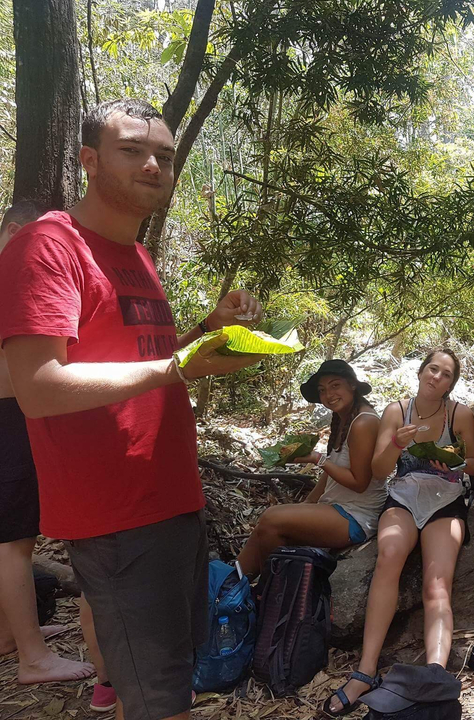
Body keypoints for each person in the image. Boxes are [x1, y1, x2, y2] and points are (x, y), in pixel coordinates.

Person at [0, 99, 264, 720]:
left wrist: (208, 332)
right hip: (115, 514)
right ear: (90, 160)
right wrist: (176, 367)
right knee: (158, 700)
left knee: (161, 686)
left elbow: (143, 360)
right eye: (133, 150)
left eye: (165, 157)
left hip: (171, 495)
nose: (153, 165)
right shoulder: (48, 247)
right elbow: (38, 386)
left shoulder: (137, 257)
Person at [324, 349, 474, 716]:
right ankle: (365, 670)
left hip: (446, 498)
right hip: (404, 495)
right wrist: (396, 443)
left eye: (445, 374)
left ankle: (435, 675)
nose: (436, 377)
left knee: (437, 582)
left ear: (451, 383)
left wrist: (454, 459)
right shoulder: (397, 411)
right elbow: (379, 470)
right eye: (432, 369)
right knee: (390, 557)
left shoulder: (459, 414)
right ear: (421, 371)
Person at [0, 201, 95, 686]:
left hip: (14, 416)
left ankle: (11, 634)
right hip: (9, 417)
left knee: (13, 538)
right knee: (13, 545)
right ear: (16, 231)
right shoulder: (10, 279)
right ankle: (33, 658)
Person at [238, 359, 384, 577]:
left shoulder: (364, 422)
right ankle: (230, 587)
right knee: (263, 530)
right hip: (337, 507)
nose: (329, 394)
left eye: (335, 386)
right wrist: (307, 504)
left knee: (271, 518)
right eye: (322, 390)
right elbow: (332, 472)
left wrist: (318, 459)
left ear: (352, 385)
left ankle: (272, 591)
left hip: (358, 516)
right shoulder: (343, 418)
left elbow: (360, 483)